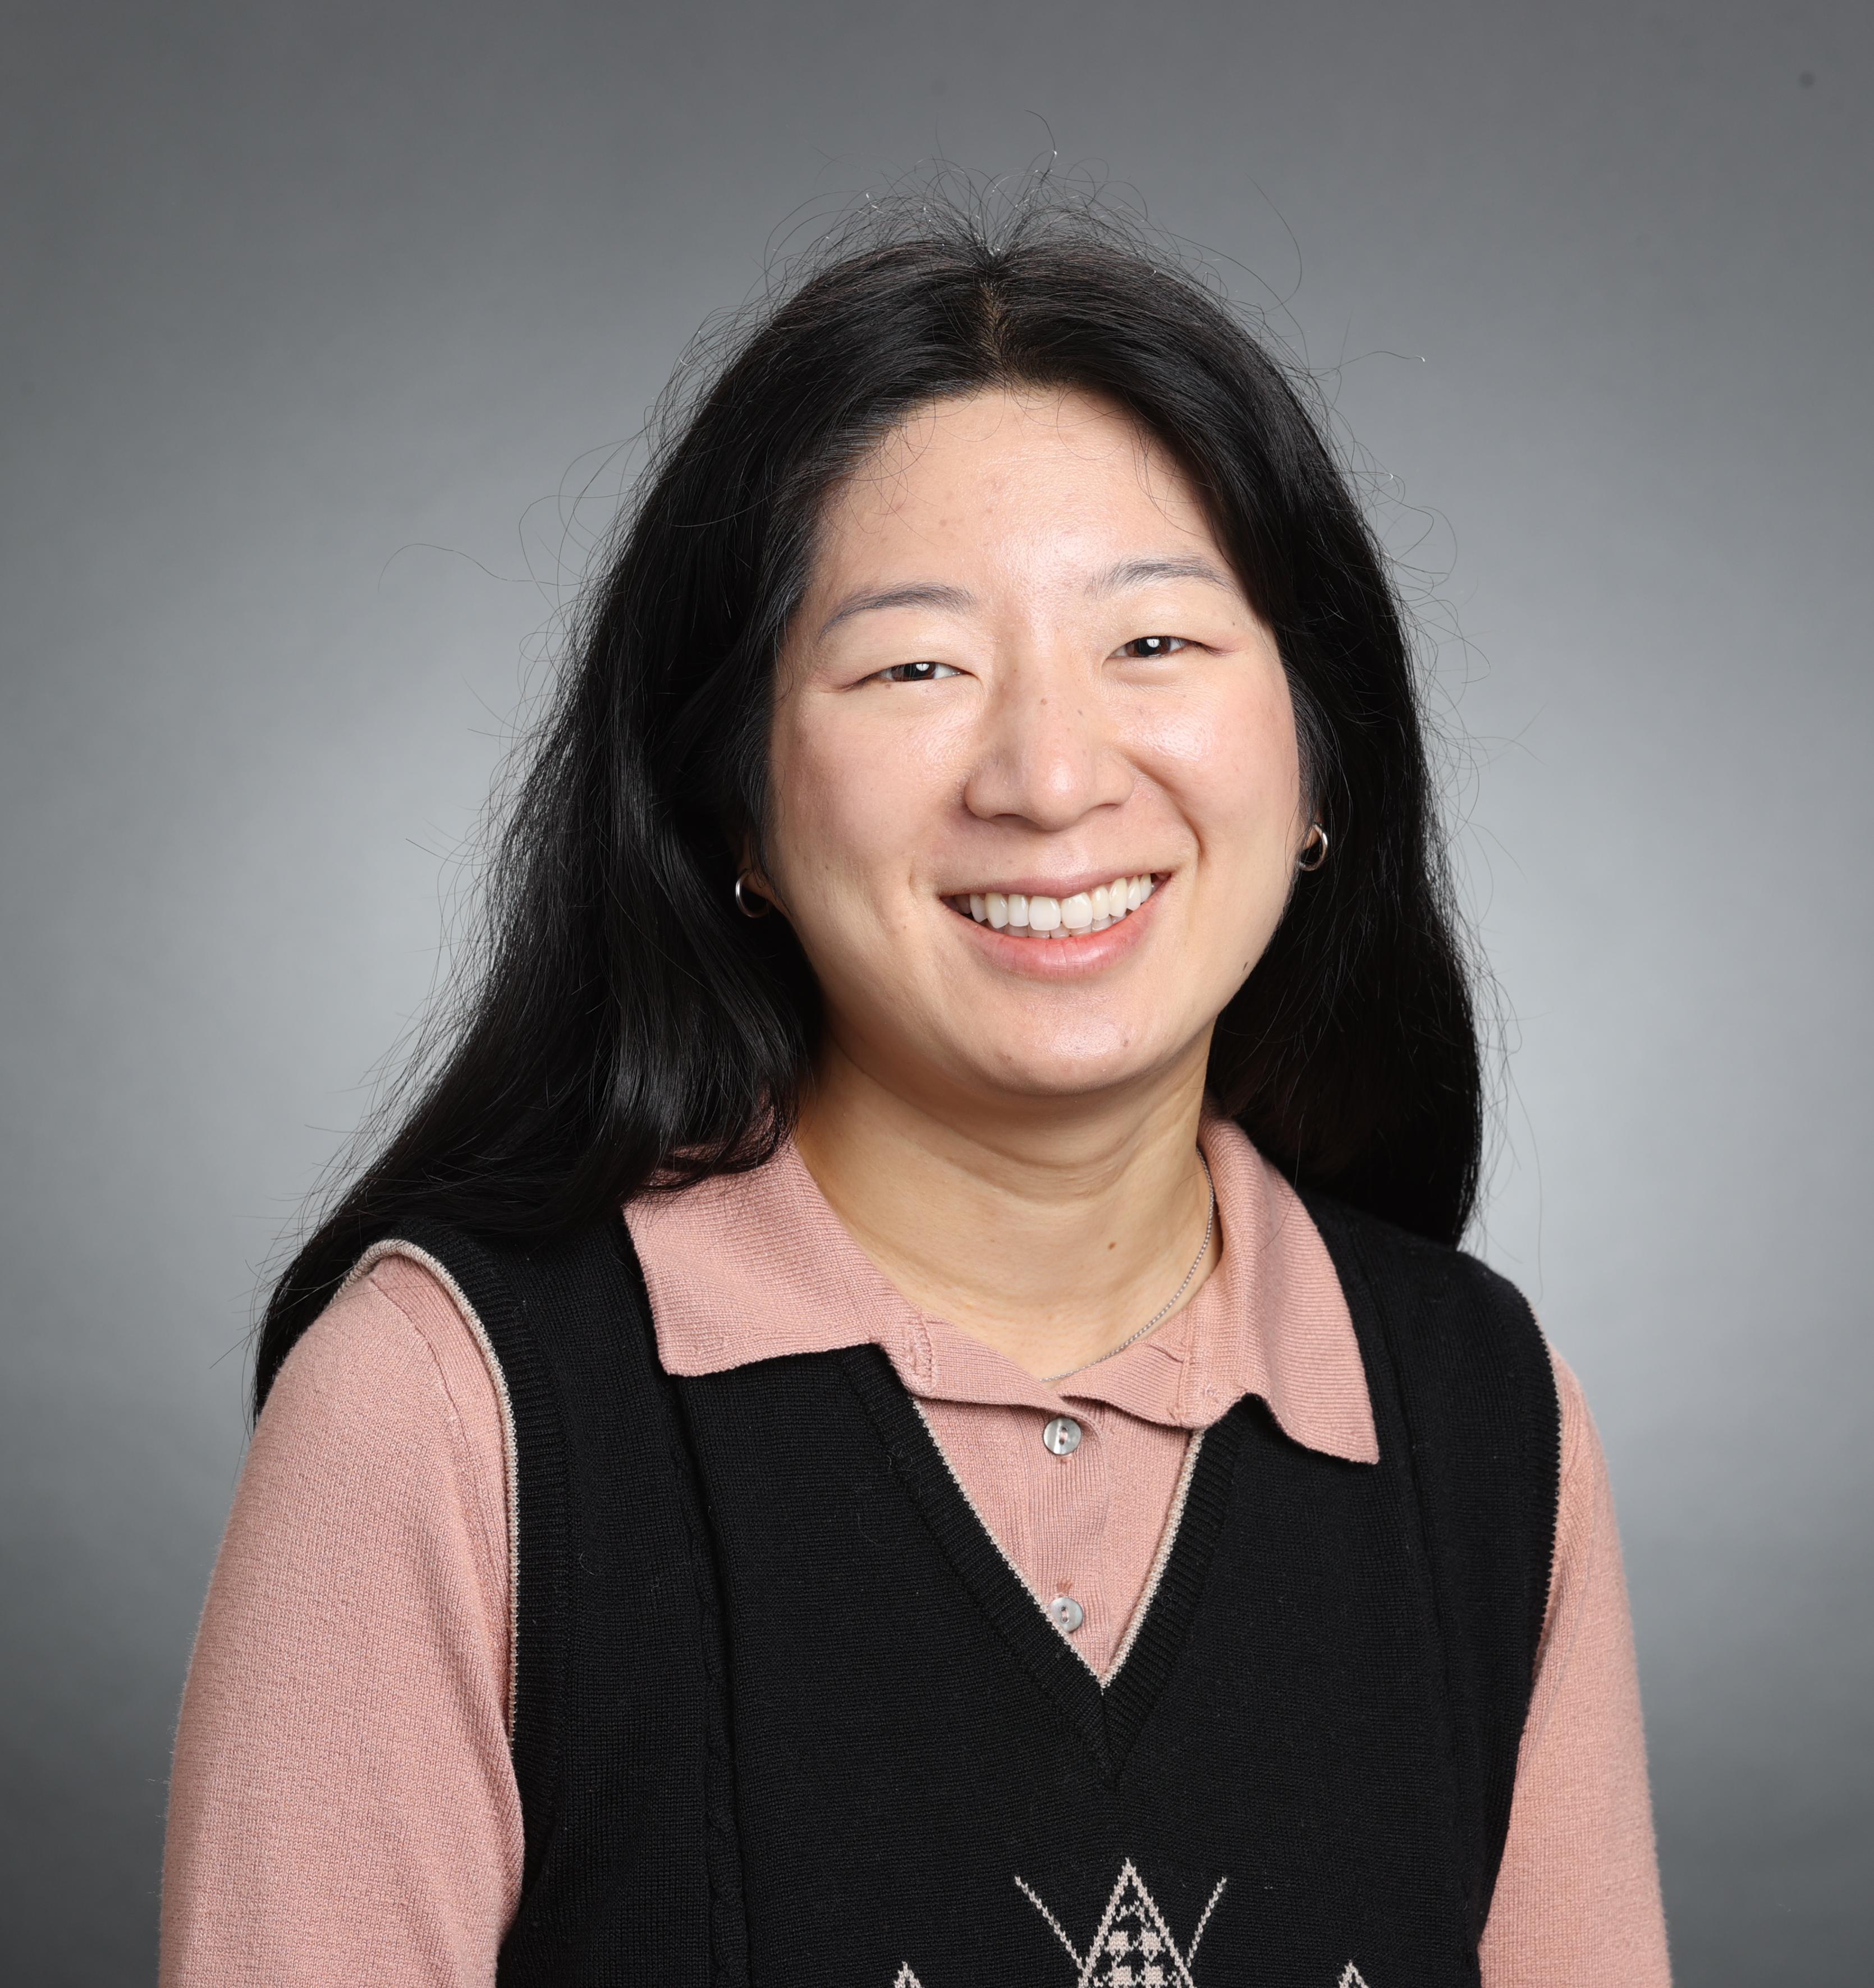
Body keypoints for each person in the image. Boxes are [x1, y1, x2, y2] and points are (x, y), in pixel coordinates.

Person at [161, 194, 1671, 1987]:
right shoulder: (448, 1409)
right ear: (736, 814)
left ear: (1320, 757)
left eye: (1156, 645)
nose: (1045, 777)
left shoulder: (1483, 1419)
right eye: (914, 668)